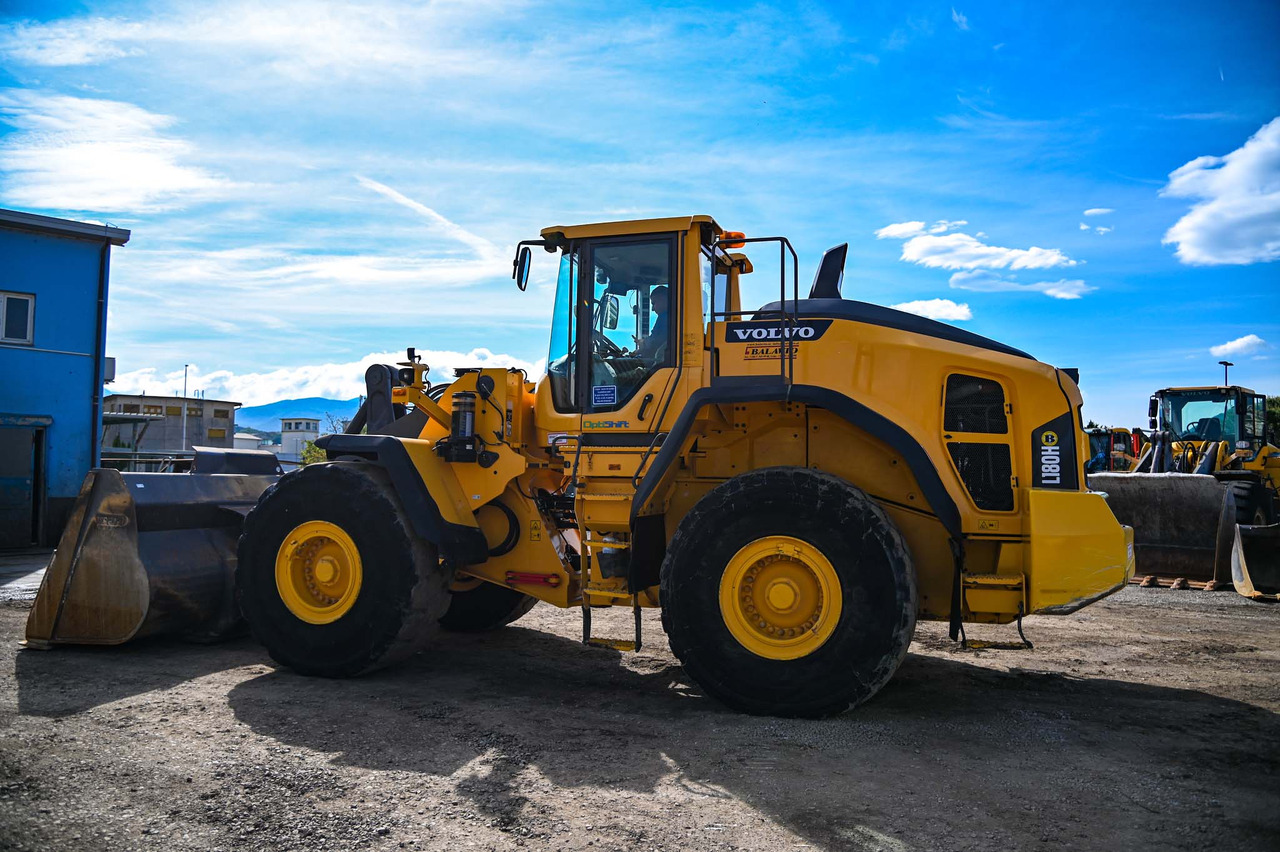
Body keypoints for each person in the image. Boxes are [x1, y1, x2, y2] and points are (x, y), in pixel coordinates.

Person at [635, 285, 669, 361]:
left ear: (664, 300)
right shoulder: (673, 316)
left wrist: (643, 343)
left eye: (654, 303)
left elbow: (656, 341)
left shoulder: (665, 317)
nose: (652, 309)